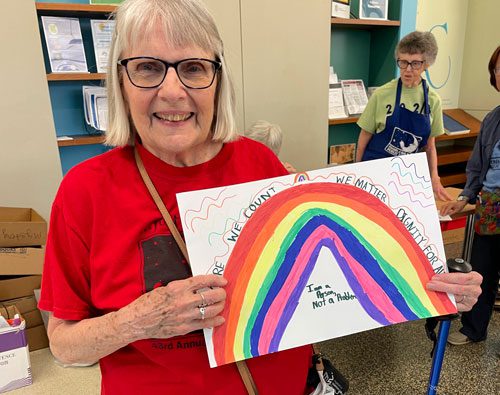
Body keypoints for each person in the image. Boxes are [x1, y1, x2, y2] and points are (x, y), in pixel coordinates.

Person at [38, 1, 482, 393]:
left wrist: (435, 289)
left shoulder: (258, 164)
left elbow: (334, 277)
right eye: (148, 67)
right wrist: (138, 320)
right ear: (121, 81)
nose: (173, 92)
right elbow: (63, 342)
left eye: (193, 67)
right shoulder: (85, 191)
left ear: (218, 78)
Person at [440, 45, 500, 346]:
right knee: (482, 273)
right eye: (499, 70)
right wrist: (464, 197)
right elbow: (477, 167)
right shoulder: (492, 120)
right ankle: (474, 328)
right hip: (490, 206)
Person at [355, 31, 452, 201]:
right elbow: (364, 136)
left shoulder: (433, 100)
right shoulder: (381, 94)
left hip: (405, 178)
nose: (407, 70)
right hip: (374, 174)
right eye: (403, 62)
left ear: (426, 64)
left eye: (415, 64)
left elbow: (430, 147)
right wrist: (356, 171)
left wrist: (434, 177)